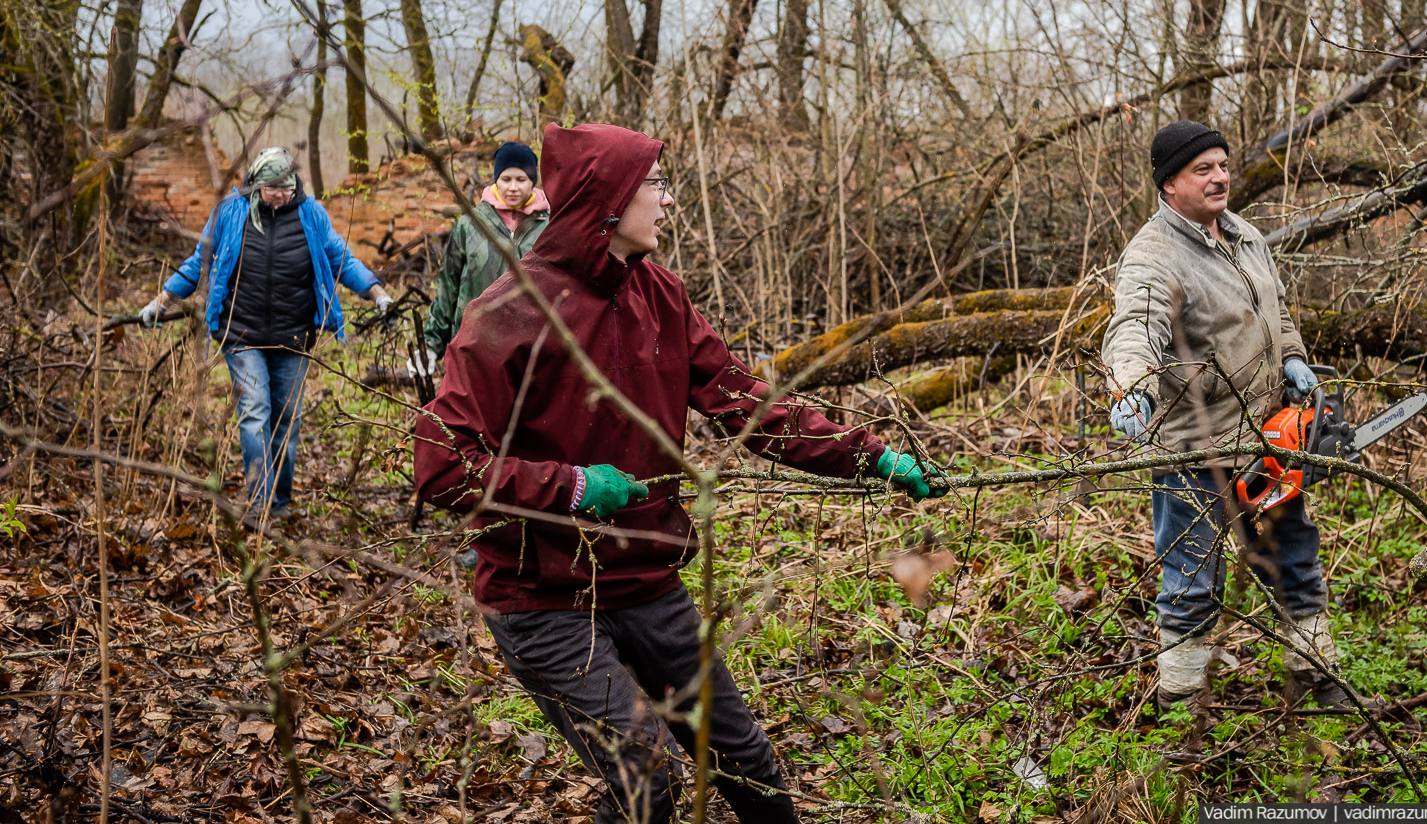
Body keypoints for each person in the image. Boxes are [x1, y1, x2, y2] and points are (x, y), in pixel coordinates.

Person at [414, 123, 947, 823]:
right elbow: (442, 467)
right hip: (541, 595)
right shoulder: (507, 315)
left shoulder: (658, 295)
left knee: (746, 764)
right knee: (649, 777)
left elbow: (747, 406)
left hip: (646, 578)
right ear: (607, 201)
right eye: (655, 187)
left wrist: (870, 456)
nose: (667, 202)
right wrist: (571, 487)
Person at [1100, 119, 1354, 713]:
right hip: (1198, 449)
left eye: (1221, 164)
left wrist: (1292, 358)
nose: (1219, 178)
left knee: (1294, 555)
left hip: (1267, 437)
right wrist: (1131, 388)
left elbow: (1277, 311)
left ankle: (1316, 676)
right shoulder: (1153, 256)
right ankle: (1180, 702)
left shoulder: (1244, 235)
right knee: (1192, 581)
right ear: (1169, 185)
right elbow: (1134, 327)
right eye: (1202, 170)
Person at [140, 147, 390, 521]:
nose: (280, 195)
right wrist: (162, 300)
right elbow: (199, 261)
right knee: (255, 413)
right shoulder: (230, 212)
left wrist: (376, 292)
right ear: (255, 184)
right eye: (272, 189)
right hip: (241, 334)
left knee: (286, 420)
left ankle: (281, 502)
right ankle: (258, 504)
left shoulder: (310, 214)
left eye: (286, 188)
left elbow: (341, 258)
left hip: (294, 336)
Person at [416, 141, 550, 375]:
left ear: (533, 181)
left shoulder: (549, 227)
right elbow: (448, 287)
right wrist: (431, 345)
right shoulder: (470, 224)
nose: (513, 187)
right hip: (474, 344)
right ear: (496, 179)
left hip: (532, 349)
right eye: (506, 179)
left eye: (521, 180)